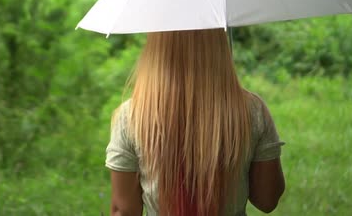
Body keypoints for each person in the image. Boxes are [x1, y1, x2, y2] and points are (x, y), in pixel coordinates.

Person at [106, 29, 285, 216]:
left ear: (155, 48)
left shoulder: (133, 115)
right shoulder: (251, 110)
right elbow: (267, 200)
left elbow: (124, 210)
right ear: (218, 43)